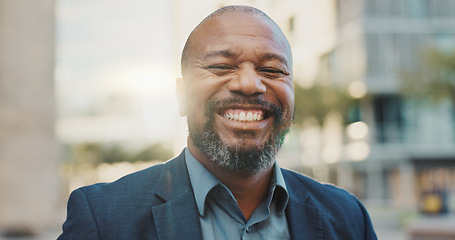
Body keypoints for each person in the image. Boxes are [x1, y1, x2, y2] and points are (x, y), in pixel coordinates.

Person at [58, 5, 377, 240]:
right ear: (182, 96)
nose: (250, 84)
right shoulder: (103, 218)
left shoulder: (348, 218)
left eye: (273, 70)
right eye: (222, 66)